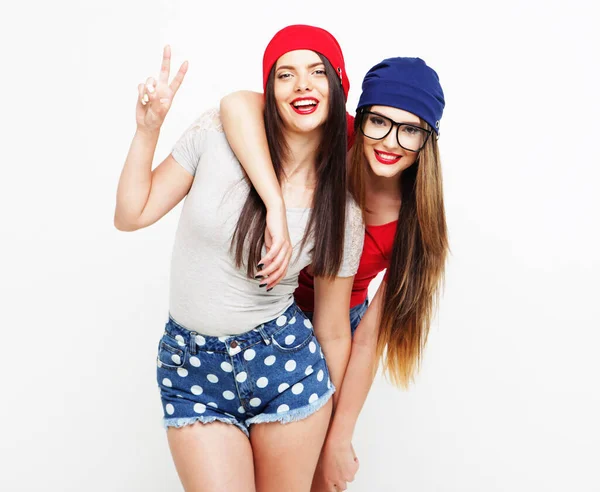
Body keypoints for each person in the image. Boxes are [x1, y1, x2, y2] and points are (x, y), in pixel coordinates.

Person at [113, 24, 364, 492]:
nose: (302, 85)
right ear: (269, 91)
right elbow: (131, 214)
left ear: (337, 87)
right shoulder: (217, 136)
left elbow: (332, 327)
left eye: (317, 72)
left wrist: (332, 436)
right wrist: (147, 130)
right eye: (285, 74)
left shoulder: (341, 212)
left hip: (287, 368)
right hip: (192, 369)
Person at [220, 56, 448, 491]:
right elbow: (241, 106)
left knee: (319, 477)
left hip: (339, 330)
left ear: (427, 141)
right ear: (358, 118)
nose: (390, 140)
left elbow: (365, 340)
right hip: (264, 313)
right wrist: (272, 201)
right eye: (378, 121)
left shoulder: (418, 224)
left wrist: (338, 439)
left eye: (411, 130)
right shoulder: (330, 134)